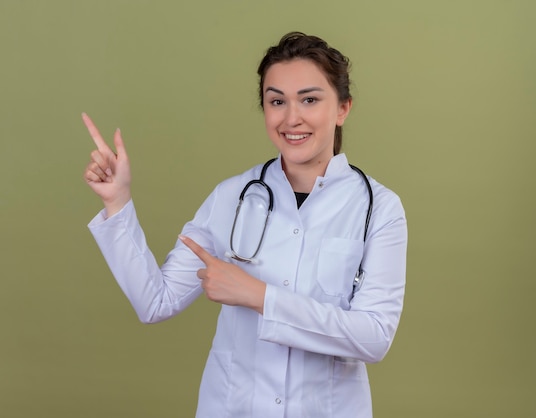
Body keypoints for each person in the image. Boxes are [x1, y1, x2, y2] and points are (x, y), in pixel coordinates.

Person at [83, 31, 407, 418]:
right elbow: (156, 302)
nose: (292, 118)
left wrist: (257, 295)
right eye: (276, 101)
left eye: (310, 99)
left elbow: (373, 338)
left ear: (342, 109)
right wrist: (117, 202)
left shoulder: (379, 209)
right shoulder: (232, 197)